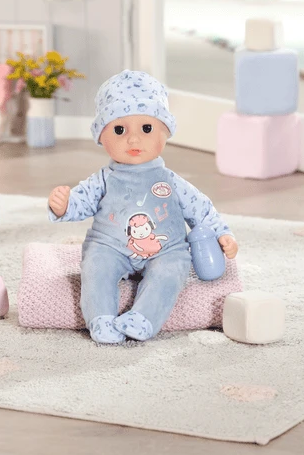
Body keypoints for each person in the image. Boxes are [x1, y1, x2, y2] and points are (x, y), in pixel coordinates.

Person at [48, 70, 238, 344]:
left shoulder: (171, 181)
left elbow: (201, 209)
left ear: (164, 133)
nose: (133, 140)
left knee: (171, 270)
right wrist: (64, 205)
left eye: (146, 129)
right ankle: (100, 318)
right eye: (120, 130)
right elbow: (82, 201)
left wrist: (222, 234)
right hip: (109, 245)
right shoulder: (104, 179)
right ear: (102, 137)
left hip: (166, 248)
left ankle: (143, 318)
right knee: (96, 267)